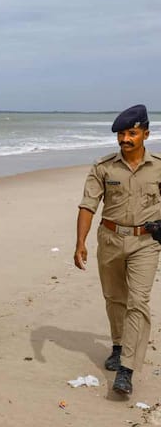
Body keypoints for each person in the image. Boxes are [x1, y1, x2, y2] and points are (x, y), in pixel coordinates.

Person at [74, 104, 161, 396]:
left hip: (145, 244)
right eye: (121, 134)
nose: (125, 139)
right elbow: (88, 205)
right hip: (110, 239)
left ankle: (127, 369)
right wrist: (80, 243)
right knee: (115, 298)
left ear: (146, 134)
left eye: (132, 133)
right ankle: (117, 345)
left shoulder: (159, 166)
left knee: (138, 301)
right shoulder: (104, 167)